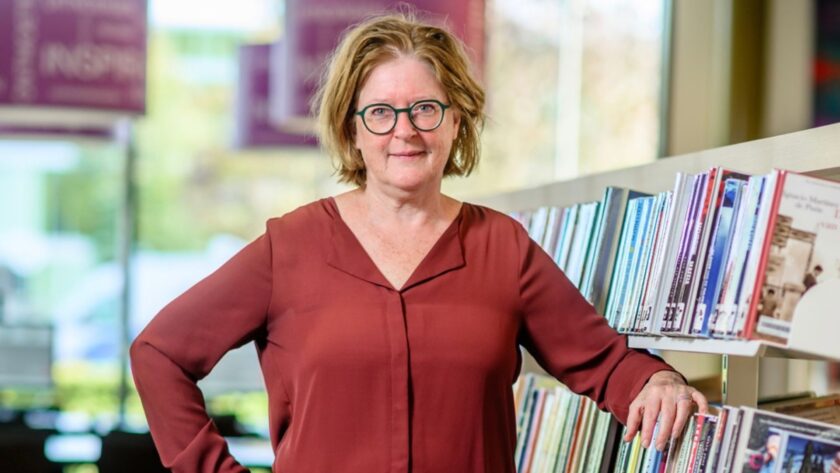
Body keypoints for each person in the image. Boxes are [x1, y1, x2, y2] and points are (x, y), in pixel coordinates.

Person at [130, 12, 708, 473]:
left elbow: (604, 363)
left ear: (457, 122)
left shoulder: (502, 249)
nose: (404, 131)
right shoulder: (290, 247)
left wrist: (657, 381)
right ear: (352, 131)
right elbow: (159, 355)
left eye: (425, 109)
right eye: (380, 112)